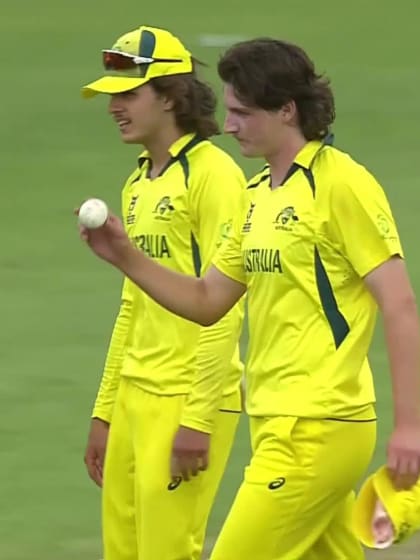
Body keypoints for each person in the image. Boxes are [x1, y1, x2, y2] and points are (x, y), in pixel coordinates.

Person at [79, 37, 420, 560]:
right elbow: (207, 299)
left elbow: (399, 304)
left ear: (286, 110)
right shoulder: (257, 195)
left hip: (320, 427)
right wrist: (126, 257)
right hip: (273, 421)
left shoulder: (341, 184)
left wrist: (411, 428)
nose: (230, 125)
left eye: (243, 112)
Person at [80, 25, 246, 560]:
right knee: (123, 551)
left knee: (166, 551)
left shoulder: (214, 176)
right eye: (112, 96)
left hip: (188, 397)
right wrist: (105, 412)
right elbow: (133, 304)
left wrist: (199, 418)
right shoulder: (138, 184)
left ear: (170, 96)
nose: (114, 108)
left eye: (128, 94)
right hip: (135, 394)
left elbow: (226, 305)